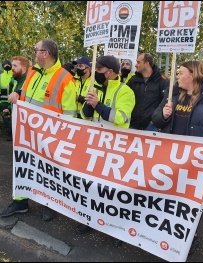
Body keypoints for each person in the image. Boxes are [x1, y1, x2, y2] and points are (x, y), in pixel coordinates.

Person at [151, 60, 203, 255]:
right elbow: (155, 119)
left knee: (189, 204)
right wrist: (163, 114)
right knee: (170, 200)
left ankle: (187, 240)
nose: (177, 76)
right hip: (170, 160)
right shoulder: (172, 94)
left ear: (193, 75)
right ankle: (167, 237)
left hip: (196, 165)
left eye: (180, 73)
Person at [0, 39, 77, 222]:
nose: (34, 53)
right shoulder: (33, 71)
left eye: (36, 50)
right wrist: (17, 94)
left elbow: (70, 114)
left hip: (50, 137)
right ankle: (20, 202)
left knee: (48, 172)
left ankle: (49, 204)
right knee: (23, 167)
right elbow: (25, 95)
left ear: (45, 54)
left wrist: (61, 138)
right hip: (27, 134)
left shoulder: (65, 79)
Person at [79, 55, 135, 247]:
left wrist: (98, 105)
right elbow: (85, 117)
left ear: (110, 72)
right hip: (95, 146)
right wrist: (88, 105)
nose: (96, 73)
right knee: (93, 187)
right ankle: (90, 219)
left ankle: (118, 229)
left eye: (100, 70)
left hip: (115, 150)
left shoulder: (125, 91)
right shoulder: (95, 88)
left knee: (113, 192)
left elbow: (121, 118)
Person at [127, 53, 169, 131]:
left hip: (152, 126)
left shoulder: (162, 81)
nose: (136, 65)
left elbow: (166, 101)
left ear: (146, 64)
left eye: (138, 62)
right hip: (133, 124)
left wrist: (155, 120)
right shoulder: (133, 80)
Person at [0, 60, 13, 141]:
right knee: (6, 119)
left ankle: (16, 134)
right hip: (3, 102)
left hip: (13, 102)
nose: (7, 66)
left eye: (8, 64)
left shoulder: (14, 75)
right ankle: (10, 134)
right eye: (5, 65)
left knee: (15, 118)